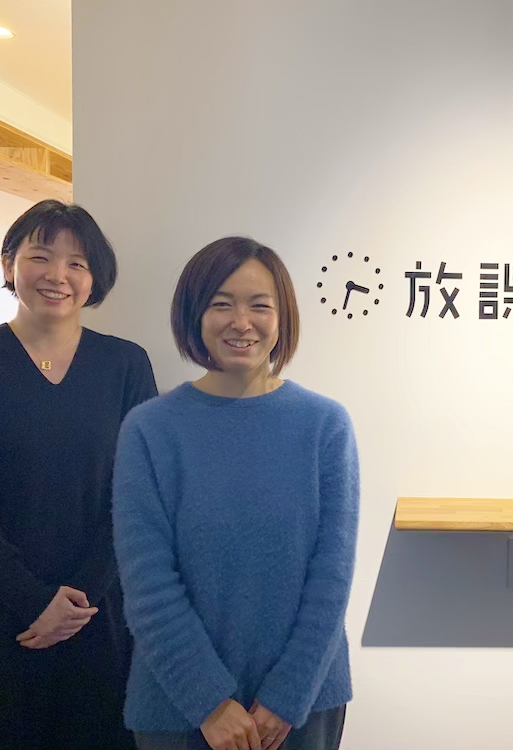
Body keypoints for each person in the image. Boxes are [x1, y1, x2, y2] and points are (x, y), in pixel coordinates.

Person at [113, 237, 358, 750]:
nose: (241, 322)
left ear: (282, 317)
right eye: (221, 304)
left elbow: (331, 578)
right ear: (194, 315)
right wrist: (209, 702)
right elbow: (147, 582)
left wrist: (286, 696)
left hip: (302, 704)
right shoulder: (150, 429)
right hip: (179, 706)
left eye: (259, 306)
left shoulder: (325, 426)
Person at [0, 199, 158, 749]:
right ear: (8, 263)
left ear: (94, 279)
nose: (57, 275)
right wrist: (29, 597)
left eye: (77, 263)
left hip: (97, 613)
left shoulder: (126, 365)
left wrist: (78, 598)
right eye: (41, 256)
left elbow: (139, 492)